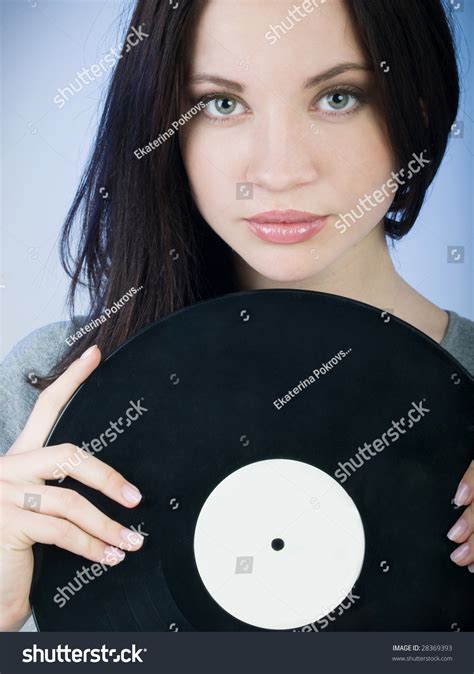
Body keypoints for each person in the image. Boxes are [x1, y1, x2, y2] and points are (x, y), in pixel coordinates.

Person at [1, 0, 473, 632]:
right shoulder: (46, 391)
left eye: (338, 97)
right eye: (221, 103)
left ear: (419, 111)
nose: (278, 171)